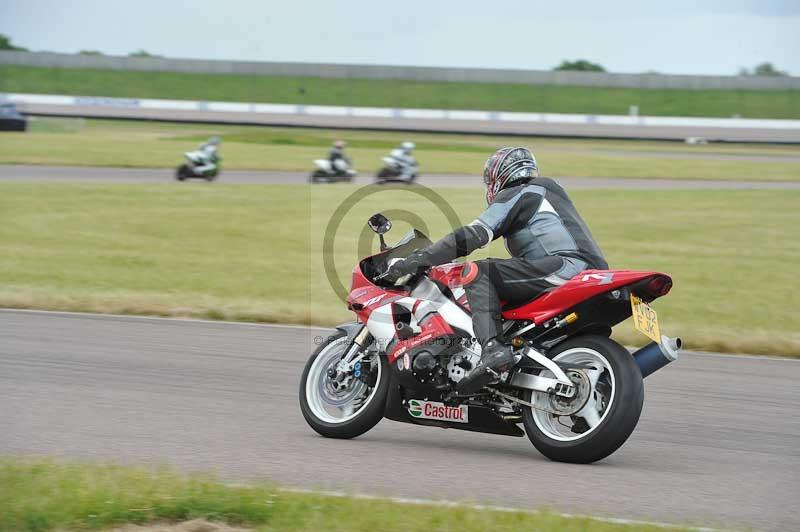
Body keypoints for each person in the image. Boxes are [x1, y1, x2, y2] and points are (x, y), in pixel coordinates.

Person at [383, 147, 608, 393]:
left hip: (566, 267)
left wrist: (419, 259)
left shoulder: (522, 192)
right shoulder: (550, 193)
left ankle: (492, 350)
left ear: (498, 177)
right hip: (587, 270)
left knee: (480, 273)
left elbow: (473, 234)